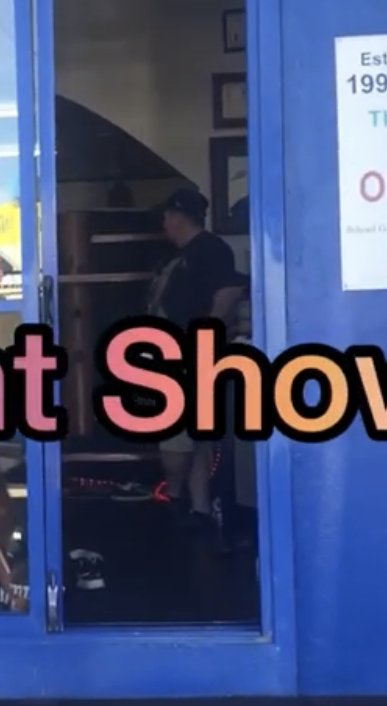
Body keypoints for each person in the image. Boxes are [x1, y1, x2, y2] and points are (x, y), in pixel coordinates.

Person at [145, 188, 247, 537]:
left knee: (178, 435)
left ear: (176, 217)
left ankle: (174, 496)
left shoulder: (210, 251)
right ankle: (199, 508)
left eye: (166, 217)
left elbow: (228, 293)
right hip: (174, 352)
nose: (163, 223)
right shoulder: (177, 256)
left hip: (189, 354)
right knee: (197, 436)